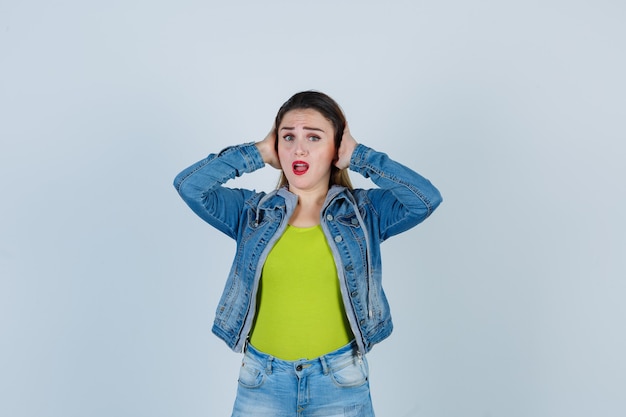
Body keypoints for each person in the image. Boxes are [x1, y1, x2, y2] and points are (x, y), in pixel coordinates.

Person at [173, 91, 442, 417]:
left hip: (340, 382)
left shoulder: (364, 214)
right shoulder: (251, 214)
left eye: (313, 137)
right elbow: (190, 185)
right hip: (262, 381)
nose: (298, 148)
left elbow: (425, 199)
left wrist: (360, 156)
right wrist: (257, 152)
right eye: (288, 137)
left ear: (336, 149)